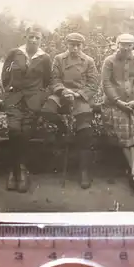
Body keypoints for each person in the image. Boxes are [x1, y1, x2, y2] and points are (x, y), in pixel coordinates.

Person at [41, 32, 99, 189]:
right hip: (61, 95)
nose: (75, 48)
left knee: (85, 132)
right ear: (66, 44)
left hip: (80, 97)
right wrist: (63, 91)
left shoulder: (88, 61)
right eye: (72, 44)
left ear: (82, 46)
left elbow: (93, 84)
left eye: (78, 45)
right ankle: (63, 127)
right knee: (47, 111)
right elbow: (54, 79)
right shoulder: (59, 59)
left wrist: (78, 94)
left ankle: (84, 171)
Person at [0, 26, 52, 193]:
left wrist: (39, 97)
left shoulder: (44, 58)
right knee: (14, 131)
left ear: (41, 40)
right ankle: (14, 170)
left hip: (32, 102)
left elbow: (47, 81)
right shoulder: (15, 53)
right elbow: (5, 75)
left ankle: (21, 171)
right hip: (14, 99)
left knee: (25, 134)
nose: (34, 40)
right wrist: (8, 90)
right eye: (31, 37)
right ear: (26, 37)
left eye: (37, 38)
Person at [101, 33, 134, 193]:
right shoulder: (109, 61)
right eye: (122, 44)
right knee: (123, 130)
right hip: (115, 103)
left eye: (129, 45)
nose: (126, 48)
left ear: (133, 46)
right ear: (117, 45)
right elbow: (106, 83)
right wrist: (118, 101)